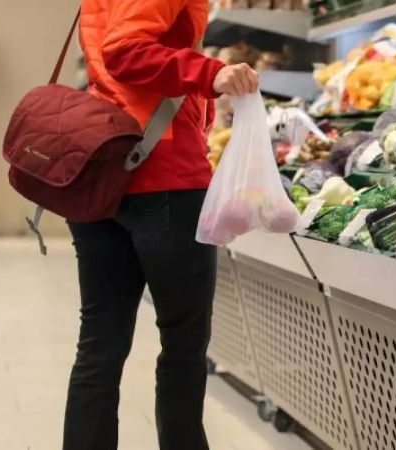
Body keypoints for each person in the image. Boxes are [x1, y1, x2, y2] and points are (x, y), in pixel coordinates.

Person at [65, 1, 258, 449]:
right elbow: (123, 51)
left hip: (101, 170)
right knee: (184, 343)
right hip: (164, 173)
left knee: (100, 342)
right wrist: (211, 73)